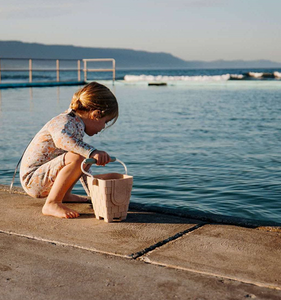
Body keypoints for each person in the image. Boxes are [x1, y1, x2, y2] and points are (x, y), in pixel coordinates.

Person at [20, 82, 118, 219]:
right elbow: (61, 140)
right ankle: (52, 203)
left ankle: (64, 195)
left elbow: (83, 165)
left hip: (43, 177)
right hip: (33, 180)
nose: (103, 127)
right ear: (95, 115)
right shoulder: (65, 121)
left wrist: (93, 195)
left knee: (81, 156)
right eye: (105, 122)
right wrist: (92, 152)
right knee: (79, 156)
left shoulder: (76, 125)